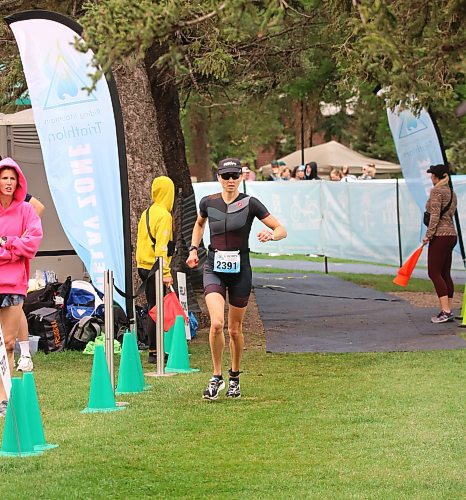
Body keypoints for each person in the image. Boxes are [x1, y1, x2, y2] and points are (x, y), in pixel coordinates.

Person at [186, 158, 286, 400]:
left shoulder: (250, 203)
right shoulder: (208, 202)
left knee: (234, 330)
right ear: (219, 177)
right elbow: (199, 225)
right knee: (217, 323)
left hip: (240, 270)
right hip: (214, 268)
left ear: (241, 177)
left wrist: (271, 236)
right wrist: (193, 249)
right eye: (226, 175)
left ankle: (234, 377)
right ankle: (216, 376)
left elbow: (281, 229)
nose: (230, 180)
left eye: (235, 175)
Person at [0, 157, 43, 416]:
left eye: (12, 178)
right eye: (4, 177)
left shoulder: (26, 210)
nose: (8, 182)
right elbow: (21, 245)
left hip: (14, 285)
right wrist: (13, 248)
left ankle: (6, 397)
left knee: (7, 343)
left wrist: (6, 244)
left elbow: (33, 242)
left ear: (18, 182)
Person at [136, 176, 175, 363]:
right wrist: (166, 273)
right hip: (155, 268)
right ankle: (155, 351)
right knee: (156, 309)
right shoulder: (164, 216)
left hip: (143, 266)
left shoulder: (148, 212)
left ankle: (155, 348)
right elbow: (162, 247)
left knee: (152, 305)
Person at [422, 164, 457, 323]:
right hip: (451, 235)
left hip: (440, 236)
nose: (430, 177)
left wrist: (428, 235)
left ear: (436, 177)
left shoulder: (436, 191)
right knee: (445, 273)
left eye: (432, 175)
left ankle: (446, 311)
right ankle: (448, 309)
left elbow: (435, 216)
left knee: (434, 272)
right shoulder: (451, 192)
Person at [16, 193, 45, 373]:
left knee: (15, 305)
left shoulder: (16, 193)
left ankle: (25, 355)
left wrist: (23, 237)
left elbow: (39, 207)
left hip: (12, 256)